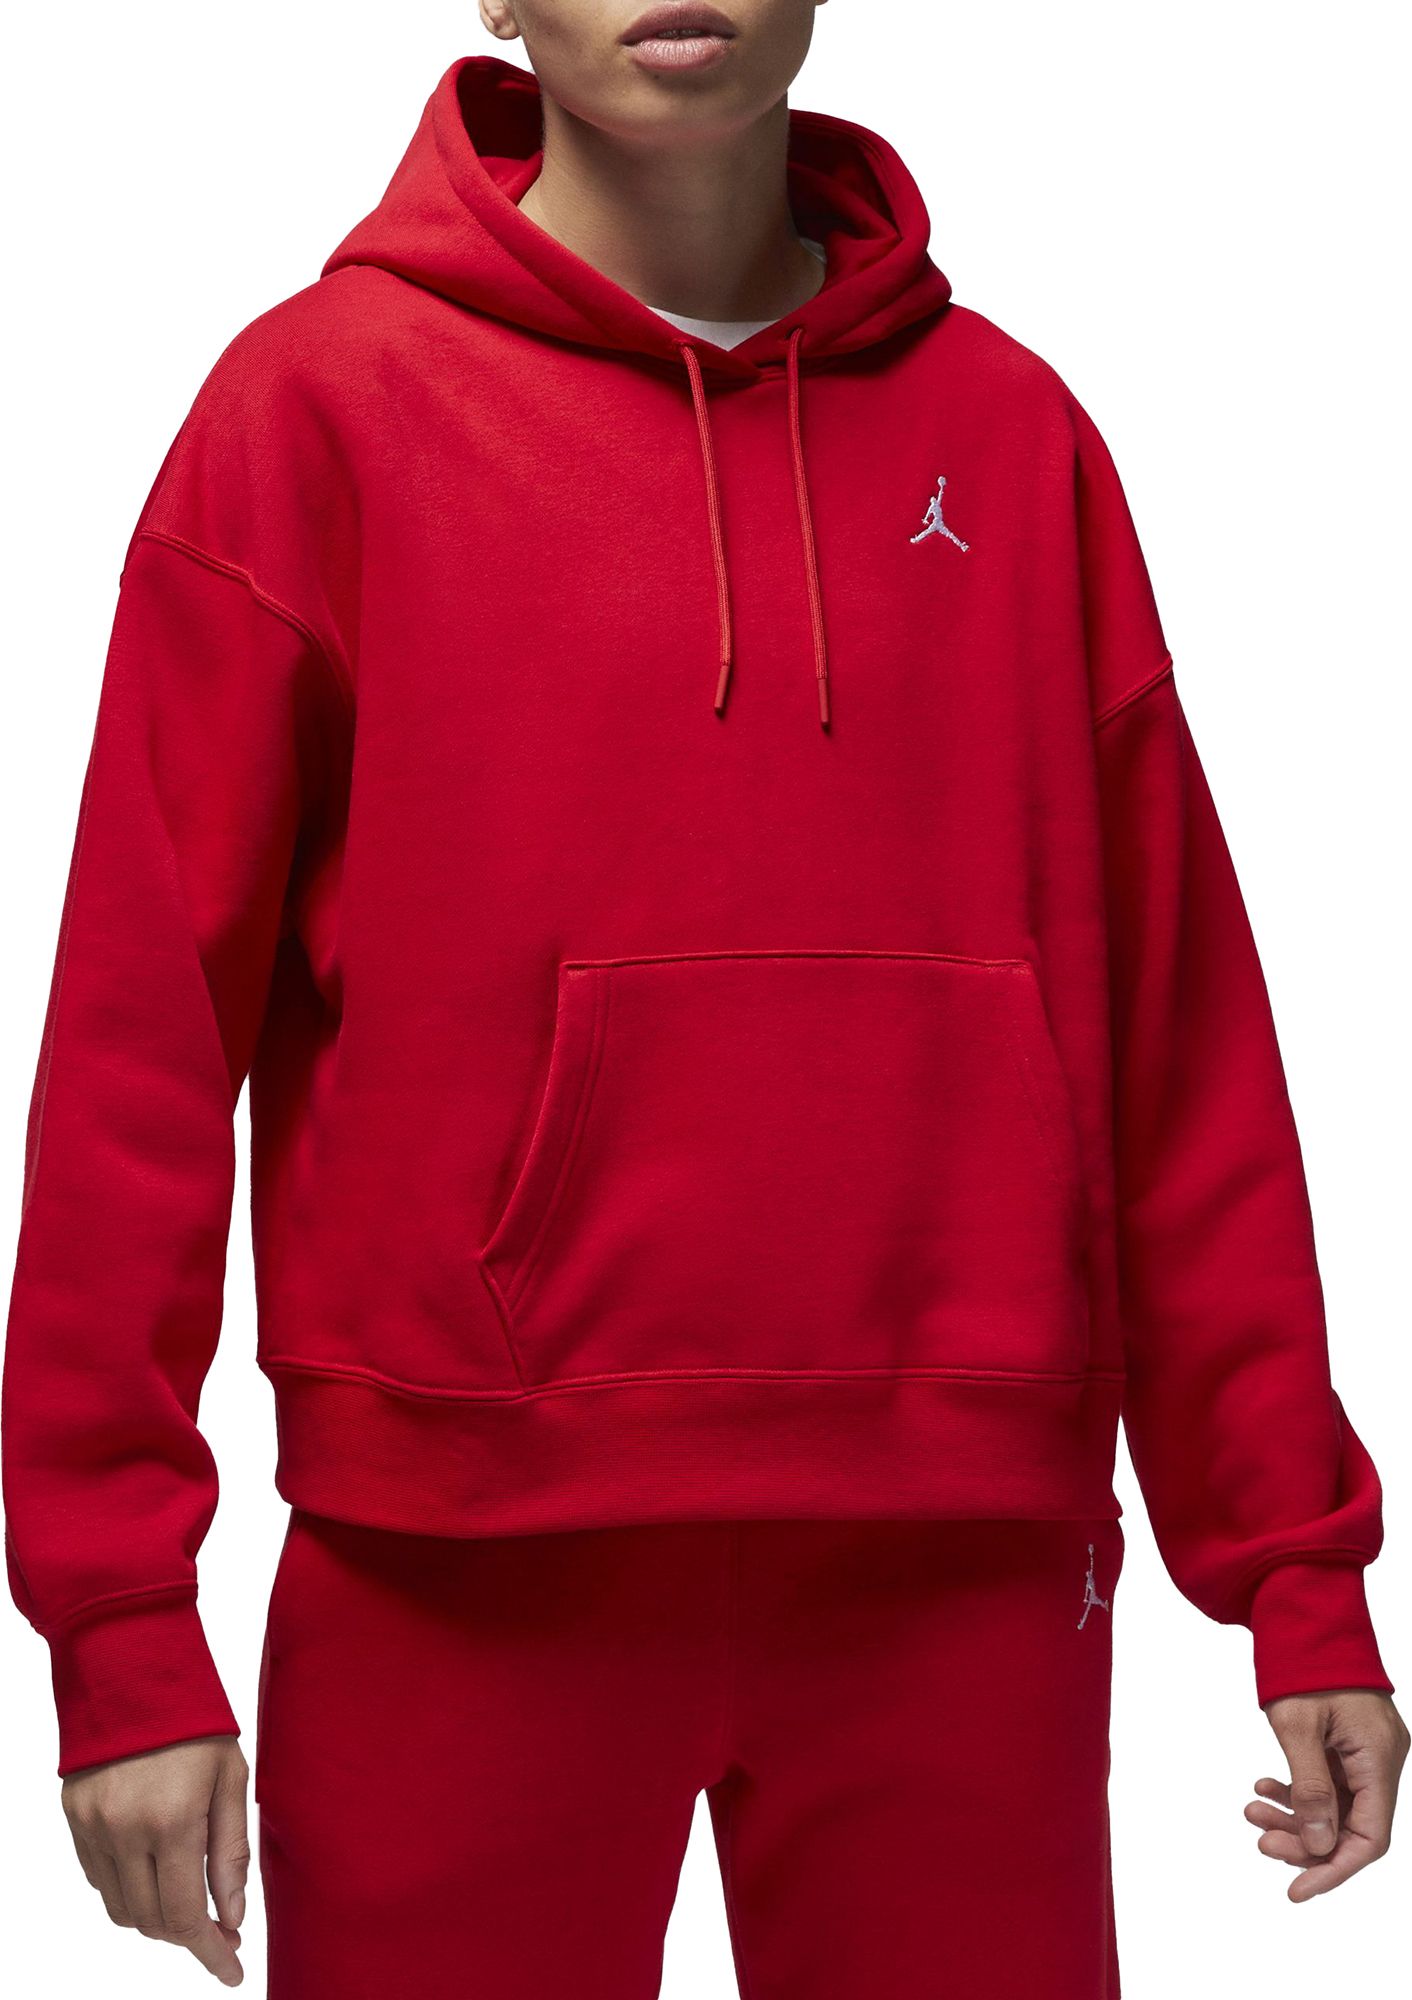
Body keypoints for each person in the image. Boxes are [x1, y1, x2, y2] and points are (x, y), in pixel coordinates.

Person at [3, 2, 1405, 1994]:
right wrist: (121, 1622)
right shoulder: (314, 408)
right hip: (457, 1555)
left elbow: (1179, 1045)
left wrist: (1294, 1569)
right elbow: (139, 1041)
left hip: (954, 1549)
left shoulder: (1014, 432)